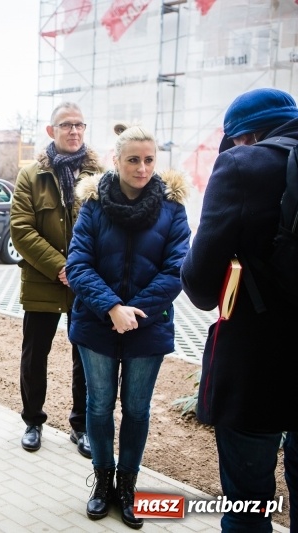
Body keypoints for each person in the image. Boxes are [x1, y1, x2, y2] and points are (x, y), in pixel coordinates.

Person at [181, 88, 298, 532]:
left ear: (244, 136)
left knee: (248, 506)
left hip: (258, 366)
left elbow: (200, 287)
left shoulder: (242, 166)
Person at [66, 123, 190, 529]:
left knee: (136, 411)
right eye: (133, 160)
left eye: (149, 160)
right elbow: (78, 265)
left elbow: (176, 270)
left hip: (148, 326)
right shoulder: (94, 206)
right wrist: (111, 308)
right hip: (97, 325)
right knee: (99, 407)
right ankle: (102, 484)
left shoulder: (173, 210)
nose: (142, 168)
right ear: (116, 160)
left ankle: (128, 487)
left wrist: (133, 311)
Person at [9, 102, 101, 457]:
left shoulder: (100, 175)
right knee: (35, 355)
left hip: (87, 284)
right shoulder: (31, 175)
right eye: (66, 125)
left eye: (79, 124)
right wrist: (61, 268)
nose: (74, 131)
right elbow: (21, 229)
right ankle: (33, 422)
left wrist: (80, 272)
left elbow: (105, 229)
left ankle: (82, 426)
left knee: (87, 357)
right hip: (43, 280)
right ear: (51, 131)